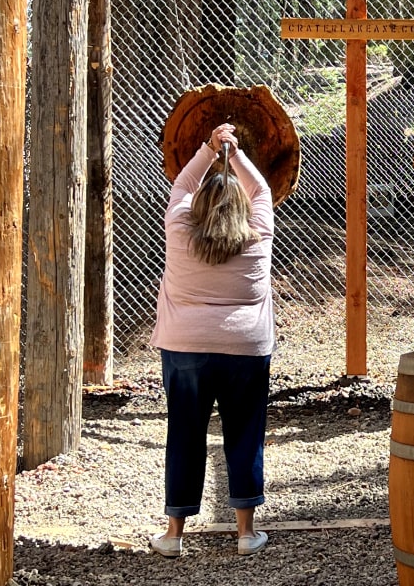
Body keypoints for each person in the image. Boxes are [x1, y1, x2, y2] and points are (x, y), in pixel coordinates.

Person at [150, 122, 275, 558]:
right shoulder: (258, 234)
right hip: (245, 350)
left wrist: (210, 148)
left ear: (198, 205)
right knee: (244, 434)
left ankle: (173, 534)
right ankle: (245, 534)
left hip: (185, 348)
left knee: (185, 434)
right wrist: (235, 154)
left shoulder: (180, 228)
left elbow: (183, 183)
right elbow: (260, 191)